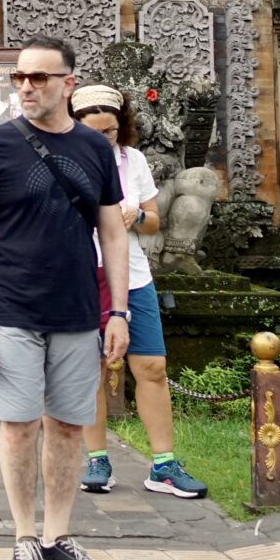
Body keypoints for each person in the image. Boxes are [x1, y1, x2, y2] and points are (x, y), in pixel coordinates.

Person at [0, 36, 130, 560]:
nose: (27, 87)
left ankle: (58, 536)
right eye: (19, 78)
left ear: (67, 84)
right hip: (10, 307)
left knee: (70, 427)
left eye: (40, 78)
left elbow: (113, 233)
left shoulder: (96, 150)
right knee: (18, 425)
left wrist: (119, 311)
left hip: (77, 310)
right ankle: (24, 537)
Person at [70, 85, 206, 499]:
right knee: (88, 371)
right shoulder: (64, 161)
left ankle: (164, 464)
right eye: (93, 131)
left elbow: (154, 221)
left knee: (151, 367)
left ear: (121, 126)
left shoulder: (134, 161)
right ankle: (97, 459)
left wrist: (135, 215)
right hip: (80, 275)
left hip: (132, 276)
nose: (102, 138)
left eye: (109, 131)